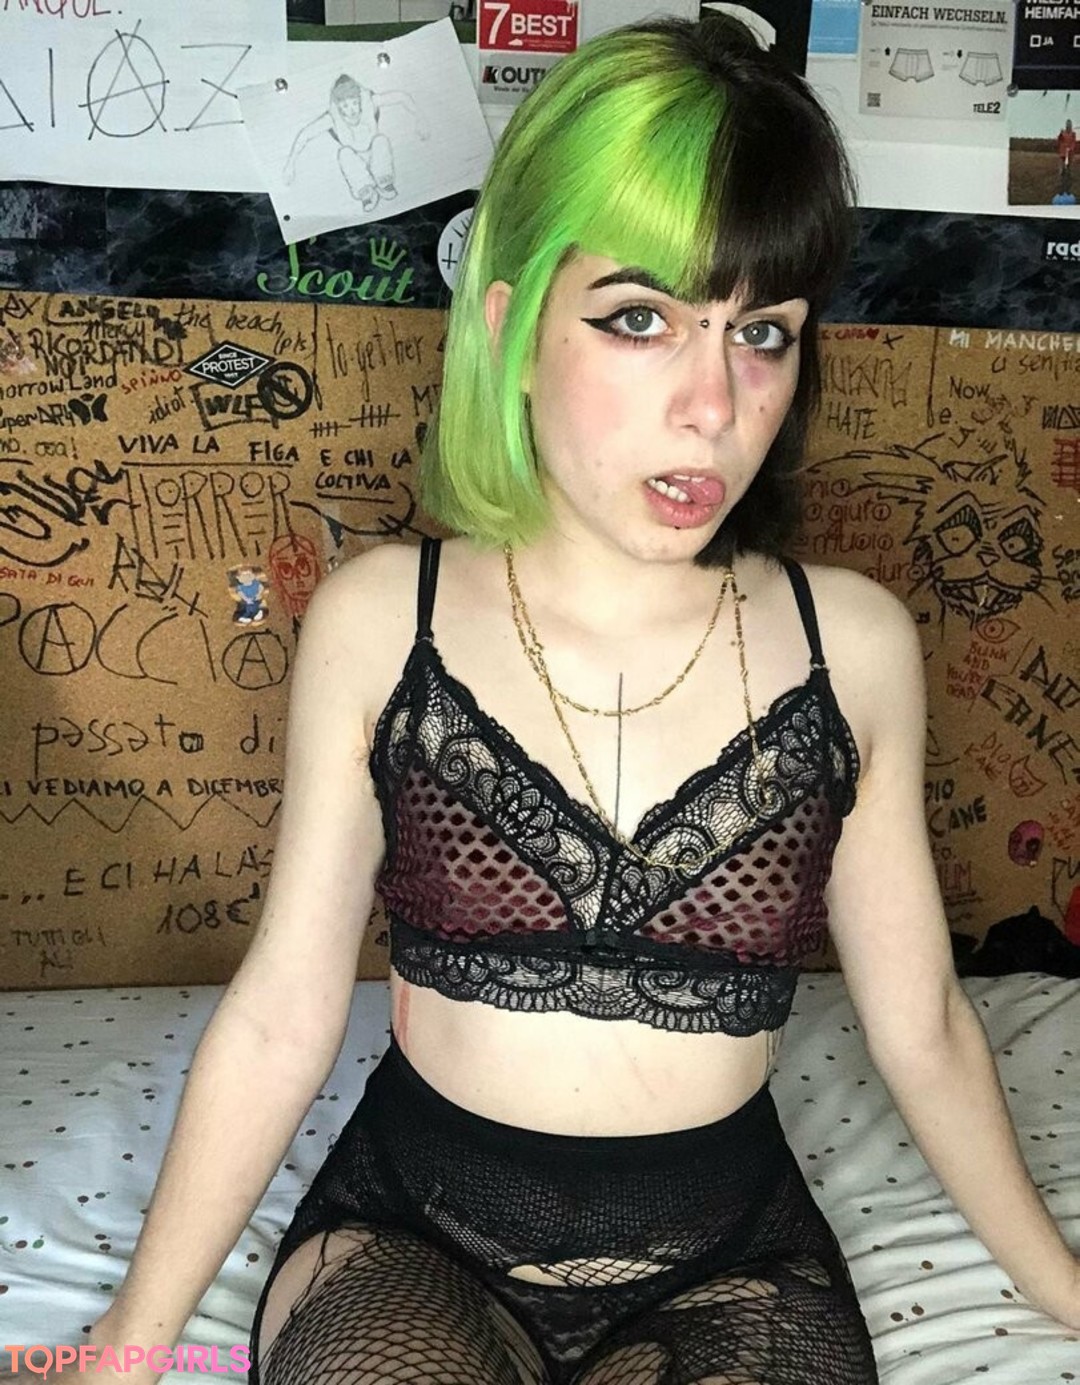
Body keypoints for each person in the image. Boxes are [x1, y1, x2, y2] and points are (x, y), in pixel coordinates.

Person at [8, 15, 1077, 1385]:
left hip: (725, 1254)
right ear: (509, 327)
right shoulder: (383, 620)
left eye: (761, 333)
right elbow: (281, 1012)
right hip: (418, 1232)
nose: (714, 405)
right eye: (640, 319)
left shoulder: (848, 646)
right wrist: (131, 1341)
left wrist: (1064, 1286)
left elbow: (921, 1022)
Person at [282, 74, 429, 211]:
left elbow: (401, 96)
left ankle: (384, 182)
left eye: (354, 103)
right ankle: (365, 191)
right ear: (339, 107)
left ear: (360, 100)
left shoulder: (371, 102)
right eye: (345, 106)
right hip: (354, 159)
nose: (351, 110)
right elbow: (305, 135)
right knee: (344, 154)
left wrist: (420, 118)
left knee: (380, 141)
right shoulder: (332, 119)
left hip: (376, 153)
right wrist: (290, 164)